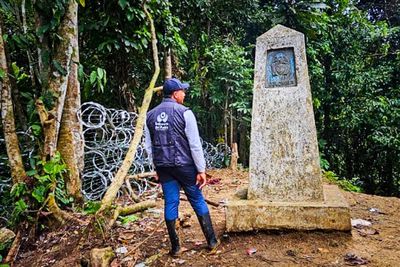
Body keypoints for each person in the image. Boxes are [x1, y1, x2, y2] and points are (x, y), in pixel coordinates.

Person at [144, 78, 219, 256]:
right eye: (182, 91)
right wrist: (201, 170)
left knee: (171, 202)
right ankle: (212, 241)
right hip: (185, 166)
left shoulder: (150, 115)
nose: (184, 94)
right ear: (175, 94)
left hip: (164, 167)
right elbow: (194, 144)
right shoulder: (185, 113)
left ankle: (176, 248)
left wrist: (155, 167)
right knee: (197, 199)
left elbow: (148, 146)